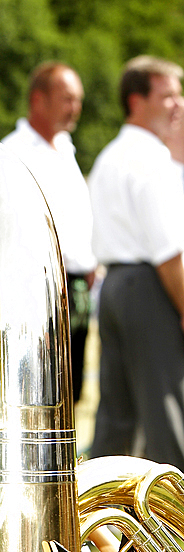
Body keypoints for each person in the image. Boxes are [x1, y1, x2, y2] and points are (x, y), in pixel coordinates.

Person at [89, 55, 184, 467]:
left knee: (115, 419)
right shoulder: (151, 159)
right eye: (167, 95)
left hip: (114, 287)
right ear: (136, 100)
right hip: (150, 288)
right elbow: (169, 253)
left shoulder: (110, 155)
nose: (178, 104)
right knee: (168, 414)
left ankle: (98, 523)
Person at [2, 62, 96, 403]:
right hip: (37, 289)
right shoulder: (13, 152)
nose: (76, 108)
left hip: (76, 286)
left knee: (72, 391)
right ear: (38, 99)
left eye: (78, 99)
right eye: (67, 98)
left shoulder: (66, 147)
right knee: (43, 393)